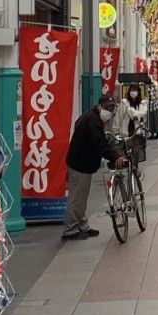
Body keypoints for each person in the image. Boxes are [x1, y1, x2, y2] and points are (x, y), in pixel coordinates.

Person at [62, 94, 126, 241]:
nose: (110, 112)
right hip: (79, 164)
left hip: (82, 162)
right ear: (101, 106)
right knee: (77, 197)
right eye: (108, 108)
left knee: (81, 197)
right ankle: (70, 230)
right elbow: (100, 143)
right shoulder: (92, 120)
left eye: (112, 108)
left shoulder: (91, 117)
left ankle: (82, 226)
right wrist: (115, 156)